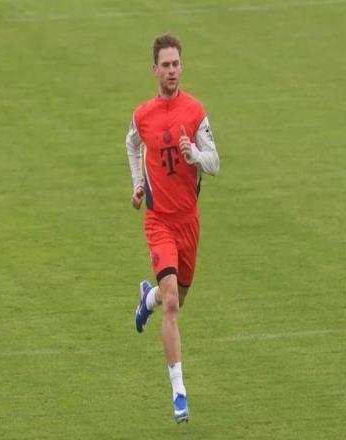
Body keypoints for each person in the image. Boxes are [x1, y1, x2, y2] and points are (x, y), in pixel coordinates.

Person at [125, 33, 220, 423]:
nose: (171, 71)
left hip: (188, 222)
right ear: (154, 70)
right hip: (159, 220)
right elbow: (132, 144)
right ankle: (179, 392)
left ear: (182, 67)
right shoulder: (142, 116)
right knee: (172, 305)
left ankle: (146, 300)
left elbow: (215, 163)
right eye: (165, 65)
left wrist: (194, 154)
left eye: (176, 64)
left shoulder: (195, 112)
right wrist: (138, 183)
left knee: (175, 297)